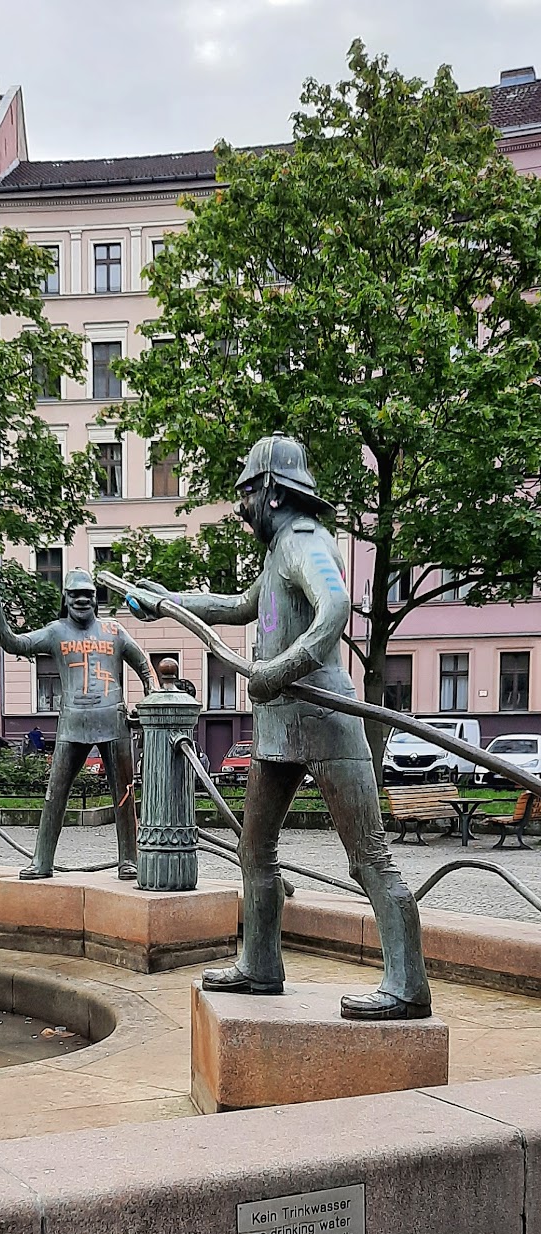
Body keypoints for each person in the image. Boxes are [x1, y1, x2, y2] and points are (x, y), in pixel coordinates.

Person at [127, 433, 430, 1022]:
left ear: (270, 491)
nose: (240, 508)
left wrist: (278, 670)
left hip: (324, 717)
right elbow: (239, 606)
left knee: (368, 856)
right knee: (254, 848)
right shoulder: (278, 552)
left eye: (245, 493)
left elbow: (335, 609)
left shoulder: (304, 540)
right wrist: (168, 600)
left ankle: (408, 984)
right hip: (279, 727)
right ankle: (261, 964)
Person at [0, 568, 152, 879]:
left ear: (96, 599)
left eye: (87, 594)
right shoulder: (56, 631)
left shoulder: (114, 631)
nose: (82, 600)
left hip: (113, 721)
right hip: (72, 723)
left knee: (124, 796)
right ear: (66, 598)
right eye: (75, 595)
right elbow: (14, 643)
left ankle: (130, 859)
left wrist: (150, 697)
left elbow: (143, 664)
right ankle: (42, 861)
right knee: (55, 795)